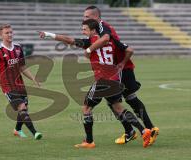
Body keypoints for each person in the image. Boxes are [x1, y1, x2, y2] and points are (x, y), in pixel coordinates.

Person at [39, 19, 151, 148]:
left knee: (86, 108)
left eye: (85, 29)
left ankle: (89, 141)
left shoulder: (90, 42)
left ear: (93, 30)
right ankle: (144, 131)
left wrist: (49, 34)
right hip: (114, 79)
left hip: (103, 81)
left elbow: (68, 39)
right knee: (118, 108)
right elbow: (129, 49)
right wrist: (122, 63)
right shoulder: (112, 40)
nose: (83, 31)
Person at [83, 6, 159, 145]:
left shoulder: (102, 26)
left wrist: (89, 50)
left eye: (87, 17)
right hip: (118, 67)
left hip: (119, 68)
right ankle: (135, 131)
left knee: (124, 100)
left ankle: (148, 129)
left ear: (96, 17)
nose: (84, 19)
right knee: (116, 102)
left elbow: (106, 39)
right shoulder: (100, 28)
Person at [0, 24, 42, 140]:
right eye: (6, 33)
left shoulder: (18, 48)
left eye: (11, 32)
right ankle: (35, 133)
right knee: (22, 107)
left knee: (23, 110)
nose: (9, 34)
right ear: (1, 35)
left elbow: (22, 67)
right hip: (7, 86)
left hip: (20, 84)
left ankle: (17, 130)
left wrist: (33, 78)